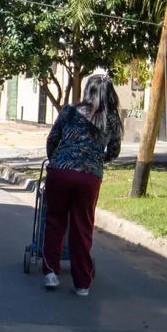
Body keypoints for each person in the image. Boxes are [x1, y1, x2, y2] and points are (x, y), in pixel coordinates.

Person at [42, 75, 122, 297]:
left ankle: (50, 273)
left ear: (88, 90)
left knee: (55, 221)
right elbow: (114, 150)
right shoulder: (111, 118)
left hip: (60, 173)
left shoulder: (70, 111)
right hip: (89, 178)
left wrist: (57, 161)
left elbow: (52, 139)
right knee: (82, 227)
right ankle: (82, 283)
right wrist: (96, 161)